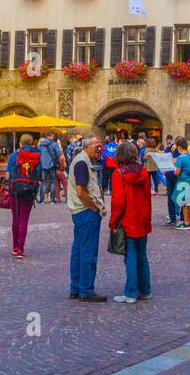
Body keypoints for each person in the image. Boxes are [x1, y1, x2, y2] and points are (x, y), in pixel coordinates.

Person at [109, 142, 152, 303]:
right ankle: (145, 290)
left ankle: (131, 293)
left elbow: (118, 202)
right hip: (142, 219)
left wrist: (113, 223)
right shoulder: (143, 172)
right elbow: (147, 198)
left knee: (131, 257)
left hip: (128, 219)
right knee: (142, 256)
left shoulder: (118, 174)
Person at [68, 136, 106, 301]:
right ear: (88, 147)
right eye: (97, 146)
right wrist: (95, 207)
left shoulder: (81, 161)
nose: (99, 149)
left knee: (78, 250)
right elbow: (81, 191)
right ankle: (86, 290)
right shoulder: (82, 162)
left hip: (80, 212)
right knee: (88, 252)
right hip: (86, 212)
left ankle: (76, 288)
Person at [6, 134, 42, 258]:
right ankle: (21, 249)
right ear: (32, 144)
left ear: (20, 144)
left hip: (14, 191)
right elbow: (39, 174)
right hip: (29, 191)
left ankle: (15, 247)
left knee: (15, 219)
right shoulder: (37, 156)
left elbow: (7, 174)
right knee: (24, 220)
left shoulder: (13, 156)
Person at [172, 139, 190, 230]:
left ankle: (186, 223)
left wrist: (174, 169)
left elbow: (177, 172)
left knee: (184, 203)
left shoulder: (181, 157)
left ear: (179, 147)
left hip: (183, 181)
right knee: (188, 203)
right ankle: (188, 221)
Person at [37, 130, 62, 204]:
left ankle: (41, 200)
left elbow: (38, 154)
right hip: (51, 165)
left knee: (43, 182)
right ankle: (52, 200)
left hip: (43, 165)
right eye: (53, 135)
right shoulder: (54, 144)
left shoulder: (41, 144)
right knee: (52, 182)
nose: (54, 137)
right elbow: (58, 154)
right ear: (51, 136)